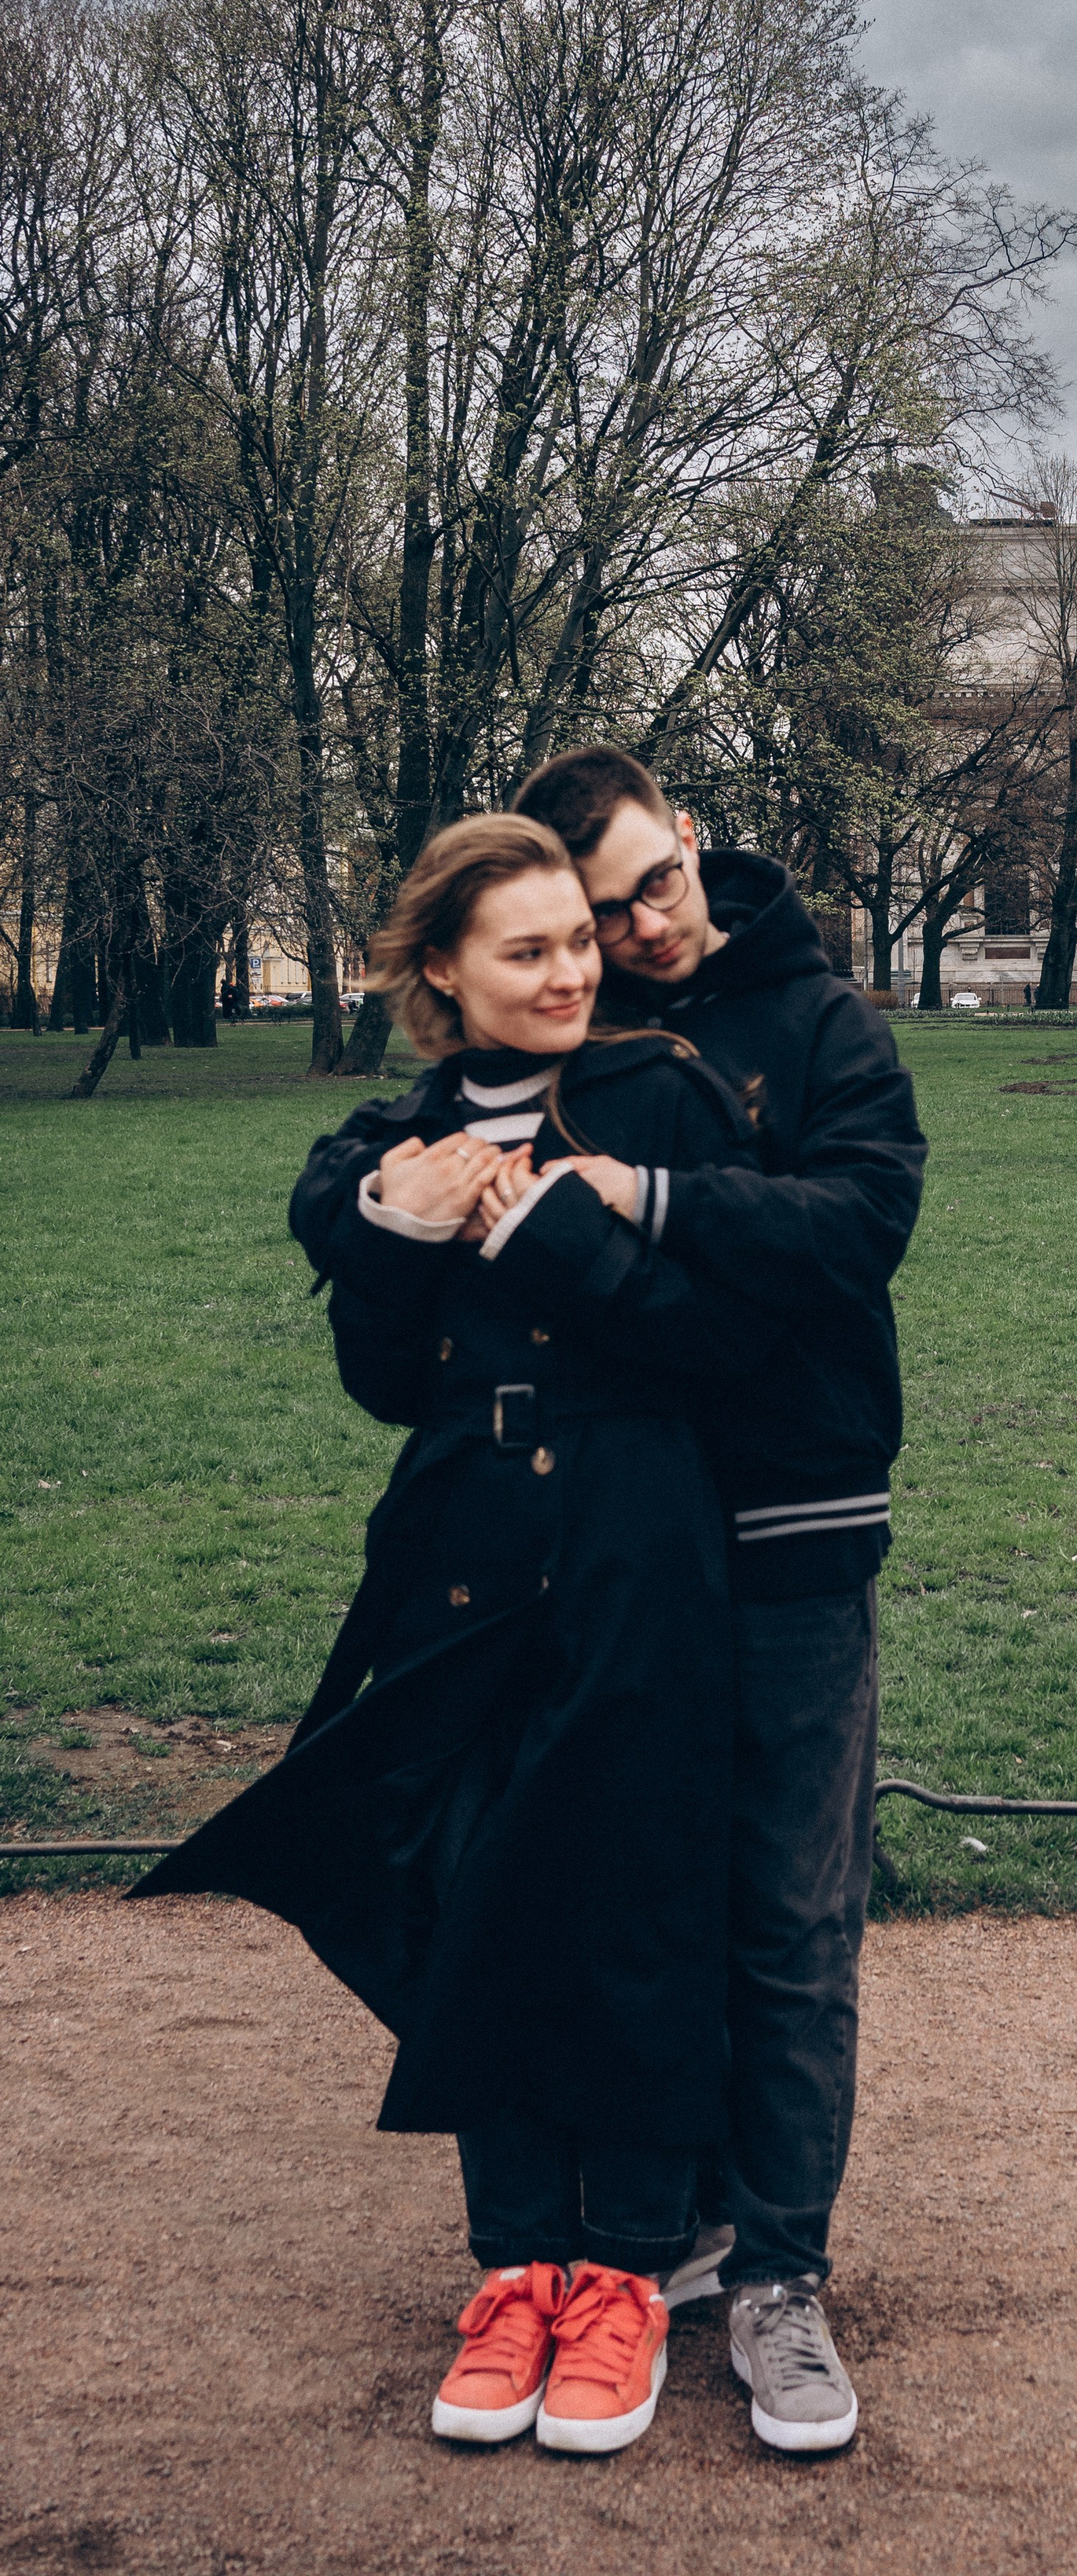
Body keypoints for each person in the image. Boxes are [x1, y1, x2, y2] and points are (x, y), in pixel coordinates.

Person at [290, 752, 927, 2459]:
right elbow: (384, 1236)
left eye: (649, 892)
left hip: (772, 1525)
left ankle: (755, 2263)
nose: (630, 936)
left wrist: (590, 1215)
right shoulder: (510, 1068)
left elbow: (843, 1233)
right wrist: (374, 1212)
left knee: (768, 1922)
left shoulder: (786, 1033)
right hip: (547, 1548)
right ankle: (607, 2242)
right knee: (551, 1879)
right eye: (580, 917)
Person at [138, 814, 795, 2460]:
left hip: (641, 1542)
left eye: (577, 935)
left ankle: (628, 2270)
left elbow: (731, 1343)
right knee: (466, 1881)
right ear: (440, 969)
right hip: (460, 1548)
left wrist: (540, 1230)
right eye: (530, 947)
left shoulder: (666, 1099)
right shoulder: (402, 1131)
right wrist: (395, 1229)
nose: (573, 967)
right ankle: (515, 2264)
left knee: (633, 1892)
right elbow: (382, 1381)